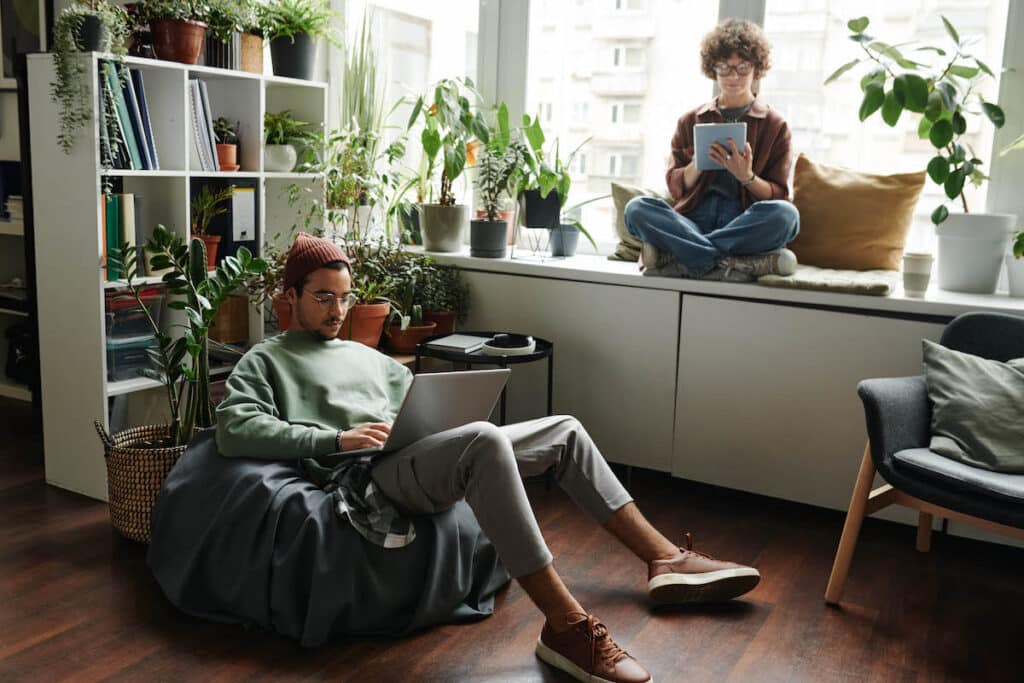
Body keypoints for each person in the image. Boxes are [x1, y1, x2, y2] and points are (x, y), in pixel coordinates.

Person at [216, 232, 762, 683]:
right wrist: (334, 440)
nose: (338, 310)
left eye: (345, 297)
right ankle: (566, 627)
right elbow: (235, 427)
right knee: (486, 441)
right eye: (323, 298)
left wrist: (434, 415)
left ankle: (664, 559)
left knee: (564, 430)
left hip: (412, 451)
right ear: (290, 296)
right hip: (365, 475)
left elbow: (411, 401)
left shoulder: (367, 355)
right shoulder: (266, 360)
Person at [625, 18, 801, 282]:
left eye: (742, 67)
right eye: (724, 67)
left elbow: (778, 195)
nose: (733, 76)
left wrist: (747, 177)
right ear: (712, 68)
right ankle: (733, 263)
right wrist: (697, 163)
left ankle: (682, 258)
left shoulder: (775, 125)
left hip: (742, 220)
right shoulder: (690, 120)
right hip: (692, 218)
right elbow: (675, 187)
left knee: (787, 217)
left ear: (756, 68)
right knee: (636, 209)